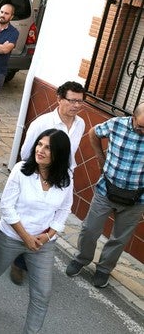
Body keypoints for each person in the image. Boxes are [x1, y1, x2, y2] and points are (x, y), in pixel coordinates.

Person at [0, 129, 73, 334]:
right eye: (40, 144)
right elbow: (7, 207)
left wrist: (47, 236)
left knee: (42, 293)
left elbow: (64, 210)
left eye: (48, 148)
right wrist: (26, 237)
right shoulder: (21, 170)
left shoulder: (66, 178)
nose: (41, 150)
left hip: (42, 243)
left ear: (60, 154)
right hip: (10, 237)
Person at [9, 81, 86, 285]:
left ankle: (31, 256)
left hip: (62, 179)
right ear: (59, 99)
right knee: (30, 218)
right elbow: (27, 153)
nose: (76, 106)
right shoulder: (42, 123)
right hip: (38, 177)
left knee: (50, 218)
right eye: (72, 101)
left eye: (80, 102)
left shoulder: (80, 124)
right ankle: (18, 259)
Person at [65, 103, 144, 288]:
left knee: (119, 238)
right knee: (90, 229)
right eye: (140, 127)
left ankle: (104, 269)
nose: (143, 132)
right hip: (105, 190)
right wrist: (101, 158)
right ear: (133, 117)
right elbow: (93, 132)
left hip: (137, 198)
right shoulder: (116, 124)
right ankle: (81, 259)